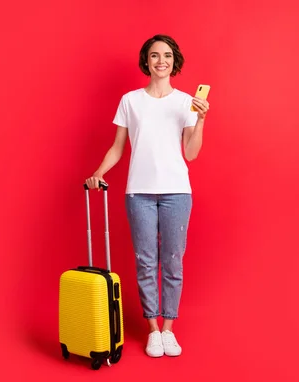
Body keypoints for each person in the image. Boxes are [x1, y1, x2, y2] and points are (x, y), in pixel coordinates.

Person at [84, 34, 210, 358]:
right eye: (154, 56)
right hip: (138, 192)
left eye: (166, 55)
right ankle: (153, 329)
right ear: (146, 61)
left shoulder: (185, 102)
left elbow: (191, 153)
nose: (161, 61)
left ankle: (169, 329)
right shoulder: (131, 101)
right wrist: (99, 173)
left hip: (176, 192)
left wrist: (201, 120)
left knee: (172, 261)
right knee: (145, 261)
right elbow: (117, 147)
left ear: (174, 61)